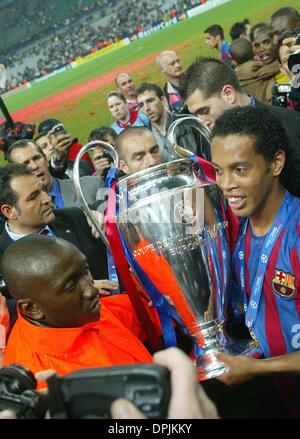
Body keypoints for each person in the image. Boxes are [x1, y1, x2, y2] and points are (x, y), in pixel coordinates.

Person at [210, 106, 300, 417]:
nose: (226, 184)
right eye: (219, 171)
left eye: (240, 169)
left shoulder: (297, 233)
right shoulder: (235, 232)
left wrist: (257, 369)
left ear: (276, 163)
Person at [1, 236, 162, 388]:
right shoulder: (37, 381)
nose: (91, 290)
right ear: (32, 309)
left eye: (86, 271)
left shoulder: (80, 312)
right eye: (70, 285)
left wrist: (152, 290)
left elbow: (156, 315)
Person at [0, 163, 109, 283]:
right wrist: (80, 290)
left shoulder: (75, 217)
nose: (47, 198)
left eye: (42, 190)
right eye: (33, 197)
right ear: (9, 211)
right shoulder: (3, 258)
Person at [180, 57, 300, 156]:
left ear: (228, 94)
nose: (202, 121)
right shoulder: (211, 144)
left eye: (204, 110)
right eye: (196, 114)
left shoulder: (290, 126)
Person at [6, 140, 103, 209]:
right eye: (25, 164)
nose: (34, 166)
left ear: (46, 159)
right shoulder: (23, 215)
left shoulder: (93, 186)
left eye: (37, 158)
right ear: (16, 174)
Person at [136, 82, 211, 162]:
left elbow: (209, 156)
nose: (146, 108)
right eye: (141, 105)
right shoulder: (145, 139)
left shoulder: (189, 123)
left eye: (150, 101)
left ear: (163, 100)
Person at [230, 38, 279, 104]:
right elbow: (276, 66)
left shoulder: (236, 73)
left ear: (234, 61)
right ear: (253, 50)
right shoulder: (254, 68)